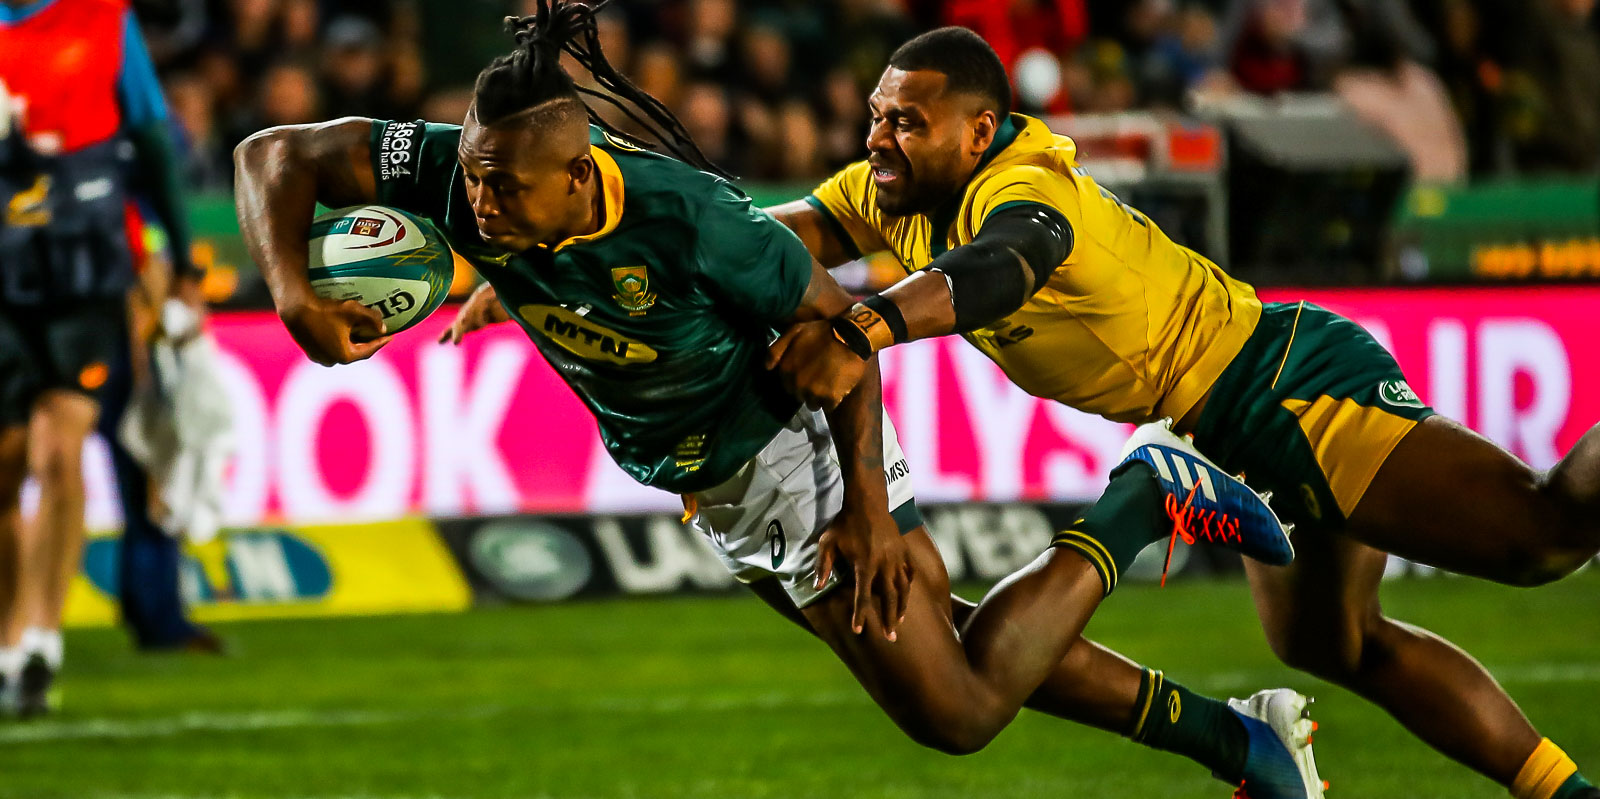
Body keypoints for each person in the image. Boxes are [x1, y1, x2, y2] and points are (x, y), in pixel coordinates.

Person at [234, 4, 1321, 796]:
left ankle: (1142, 496)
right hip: (708, 478)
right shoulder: (474, 180)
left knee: (956, 710)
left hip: (787, 449)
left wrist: (868, 511)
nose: (474, 203)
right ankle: (1242, 743)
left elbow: (839, 339)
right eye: (469, 177)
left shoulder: (694, 221)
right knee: (961, 650)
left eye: (501, 187)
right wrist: (293, 296)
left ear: (578, 177)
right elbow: (272, 154)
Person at [761, 25, 1600, 799]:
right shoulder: (896, 192)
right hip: (1222, 428)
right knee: (1334, 642)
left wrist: (866, 326)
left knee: (1543, 535)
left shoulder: (1022, 186)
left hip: (1277, 388)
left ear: (979, 132)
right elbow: (774, 237)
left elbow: (1005, 264)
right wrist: (674, 240)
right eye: (877, 116)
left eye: (906, 121)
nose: (877, 138)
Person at [0, 0, 198, 716]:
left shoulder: (102, 17)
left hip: (83, 262)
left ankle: (40, 643)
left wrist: (179, 257)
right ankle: (7, 633)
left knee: (61, 447)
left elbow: (149, 134)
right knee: (10, 456)